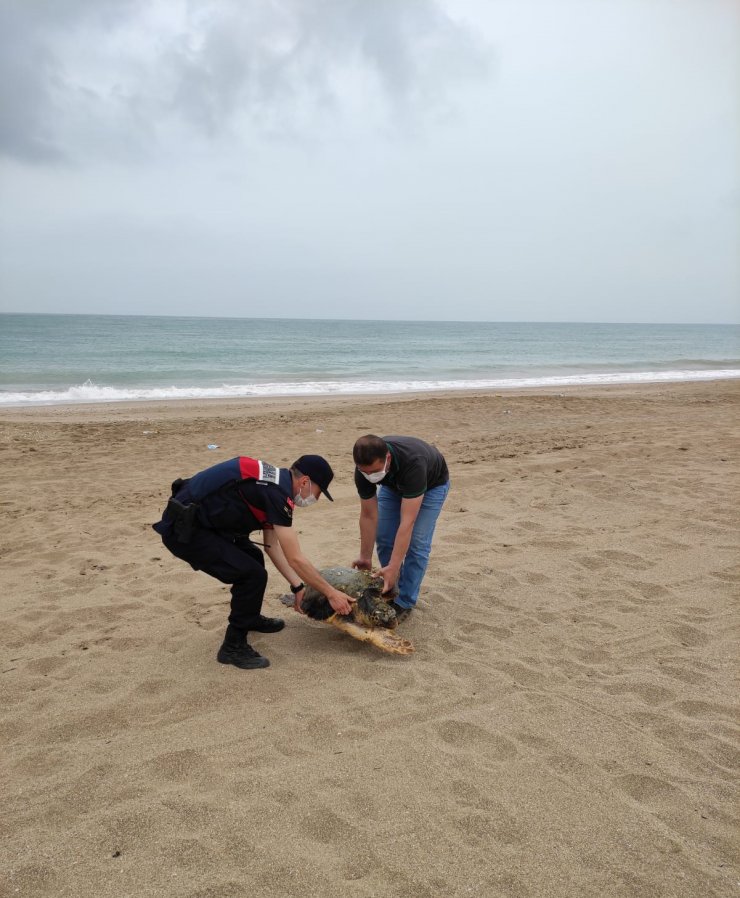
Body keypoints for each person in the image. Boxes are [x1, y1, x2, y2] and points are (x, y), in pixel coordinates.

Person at [153, 454, 355, 670]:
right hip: (185, 531)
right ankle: (233, 646)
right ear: (305, 481)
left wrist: (298, 587)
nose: (317, 498)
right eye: (318, 492)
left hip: (205, 524)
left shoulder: (276, 482)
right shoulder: (278, 494)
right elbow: (295, 558)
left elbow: (271, 547)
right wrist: (331, 593)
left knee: (254, 558)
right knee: (251, 575)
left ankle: (249, 617)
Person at [352, 434, 450, 620]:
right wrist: (365, 557)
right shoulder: (363, 471)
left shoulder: (413, 462)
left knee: (417, 543)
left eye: (375, 472)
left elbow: (407, 523)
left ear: (387, 458)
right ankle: (392, 588)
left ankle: (404, 601)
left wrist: (394, 565)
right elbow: (368, 515)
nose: (371, 477)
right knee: (384, 536)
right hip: (392, 487)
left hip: (431, 486)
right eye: (366, 473)